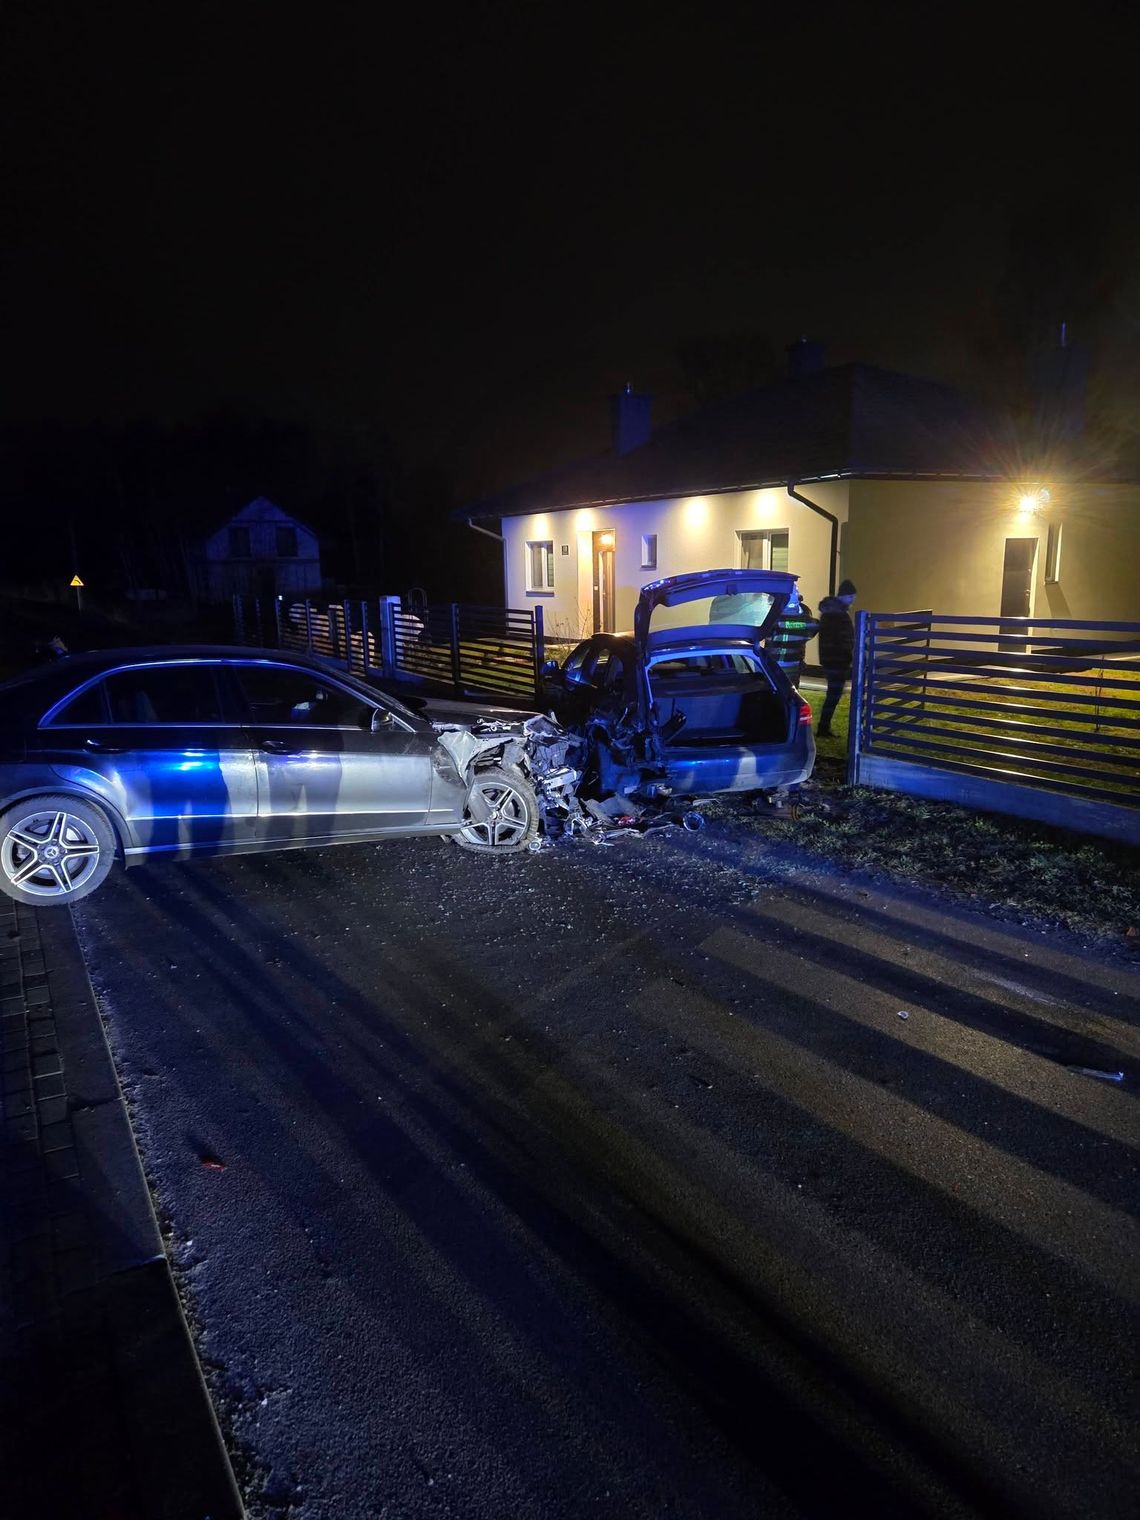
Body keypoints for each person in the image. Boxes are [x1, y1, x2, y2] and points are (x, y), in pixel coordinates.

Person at [816, 579, 857, 737]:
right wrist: (848, 656)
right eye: (851, 596)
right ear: (843, 596)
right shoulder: (837, 614)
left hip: (832, 660)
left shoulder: (832, 612)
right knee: (833, 695)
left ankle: (823, 727)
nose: (853, 599)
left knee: (833, 694)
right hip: (837, 661)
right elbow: (844, 639)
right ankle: (823, 727)